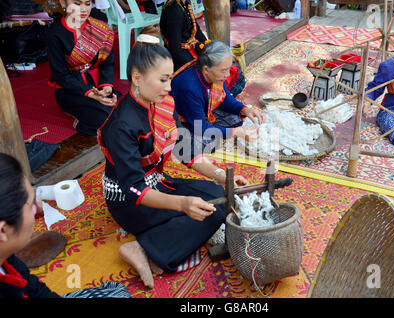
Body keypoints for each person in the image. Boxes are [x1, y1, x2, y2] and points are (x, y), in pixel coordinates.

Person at [97, 33, 250, 289]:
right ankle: (140, 249)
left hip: (156, 182)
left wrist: (220, 175)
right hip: (128, 200)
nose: (169, 87)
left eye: (169, 79)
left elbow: (185, 148)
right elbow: (134, 189)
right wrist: (182, 204)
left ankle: (154, 241)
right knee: (206, 213)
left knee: (220, 195)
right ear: (137, 78)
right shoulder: (122, 125)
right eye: (163, 80)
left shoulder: (164, 103)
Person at [0, 153, 130, 298]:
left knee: (117, 292)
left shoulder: (7, 258)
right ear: (3, 230)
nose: (37, 210)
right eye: (30, 206)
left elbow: (36, 290)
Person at [170, 40, 265, 153]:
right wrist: (235, 132)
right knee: (209, 144)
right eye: (224, 70)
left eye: (228, 69)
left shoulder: (214, 75)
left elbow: (224, 98)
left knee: (237, 118)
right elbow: (200, 128)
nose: (228, 75)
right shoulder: (189, 88)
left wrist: (244, 110)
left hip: (200, 114)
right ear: (206, 69)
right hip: (181, 121)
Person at [46, 0, 119, 136]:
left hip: (97, 84)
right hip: (70, 90)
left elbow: (107, 62)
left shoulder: (99, 27)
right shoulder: (54, 33)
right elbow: (61, 76)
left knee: (124, 109)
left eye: (87, 3)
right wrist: (92, 94)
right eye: (77, 4)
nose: (84, 9)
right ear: (63, 2)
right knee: (105, 119)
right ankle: (81, 124)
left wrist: (106, 87)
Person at [159, 0, 246, 96]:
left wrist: (209, 48)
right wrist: (198, 63)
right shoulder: (174, 9)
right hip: (180, 57)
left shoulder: (185, 4)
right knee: (212, 69)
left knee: (224, 61)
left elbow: (197, 30)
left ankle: (222, 95)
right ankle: (216, 96)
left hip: (191, 47)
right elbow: (175, 49)